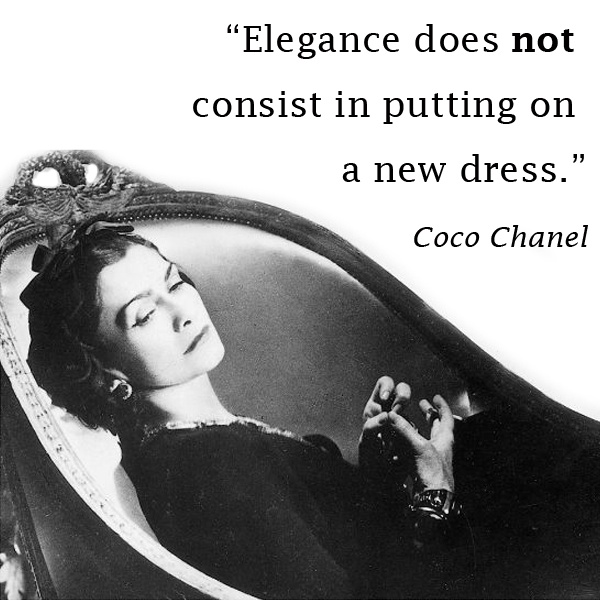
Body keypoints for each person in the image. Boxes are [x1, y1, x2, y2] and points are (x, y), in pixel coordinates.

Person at [21, 220, 463, 599]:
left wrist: (374, 472)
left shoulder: (190, 448)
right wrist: (436, 492)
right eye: (145, 315)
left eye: (174, 283)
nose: (182, 312)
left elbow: (351, 555)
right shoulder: (208, 464)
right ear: (105, 372)